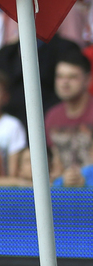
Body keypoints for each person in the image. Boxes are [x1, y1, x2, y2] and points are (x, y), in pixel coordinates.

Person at [45, 52, 93, 182]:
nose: (64, 83)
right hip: (64, 191)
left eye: (72, 77)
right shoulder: (52, 116)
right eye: (60, 77)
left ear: (87, 79)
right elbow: (57, 164)